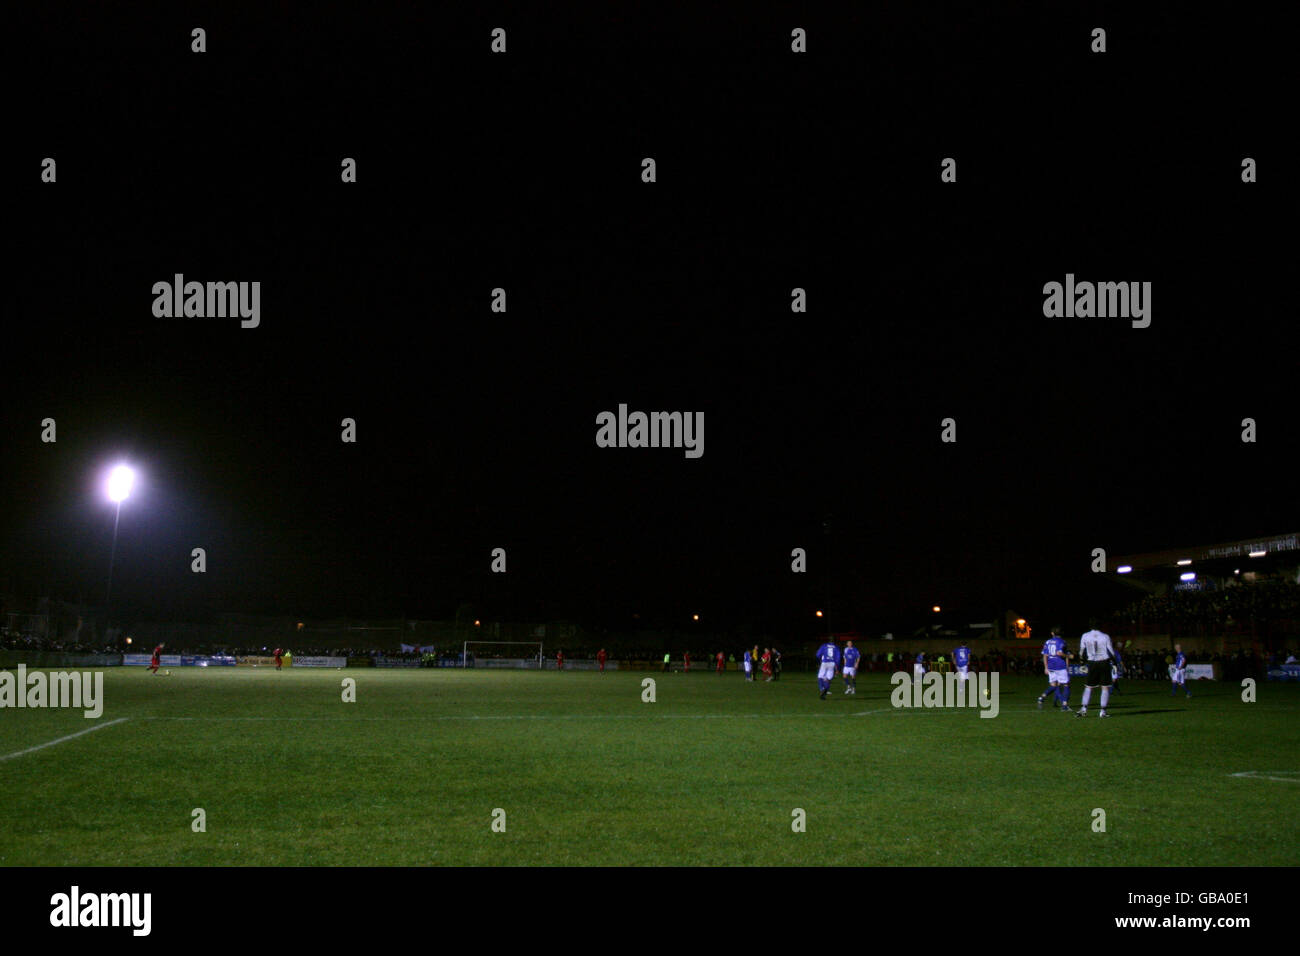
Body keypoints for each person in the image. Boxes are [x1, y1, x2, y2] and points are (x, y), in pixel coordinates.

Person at [1074, 622, 1116, 718]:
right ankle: (1103, 711)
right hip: (1103, 662)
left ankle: (1083, 709)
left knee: (1088, 687)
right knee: (1105, 687)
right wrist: (1114, 663)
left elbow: (1081, 650)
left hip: (1092, 662)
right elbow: (1111, 651)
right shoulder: (1105, 636)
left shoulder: (1085, 636)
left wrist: (1082, 663)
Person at [1035, 627, 1072, 711]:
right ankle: (1064, 705)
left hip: (1051, 666)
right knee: (1066, 685)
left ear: (1052, 633)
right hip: (1060, 666)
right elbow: (1060, 653)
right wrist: (1069, 656)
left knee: (1053, 686)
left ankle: (1041, 698)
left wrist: (1046, 667)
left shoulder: (1047, 642)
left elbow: (1045, 655)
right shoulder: (1062, 642)